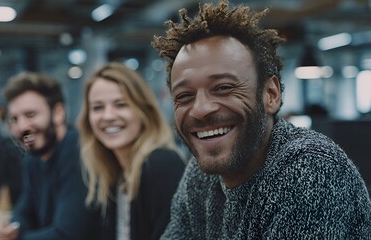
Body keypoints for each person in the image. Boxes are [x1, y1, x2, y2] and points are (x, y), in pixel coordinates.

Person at [151, 1, 371, 238]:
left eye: (223, 87)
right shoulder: (200, 175)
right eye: (184, 96)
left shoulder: (310, 168)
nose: (200, 109)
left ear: (271, 95)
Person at [0, 72, 101, 240]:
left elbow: (67, 235)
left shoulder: (78, 151)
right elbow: (24, 213)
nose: (22, 126)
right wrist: (9, 229)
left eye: (30, 115)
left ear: (58, 113)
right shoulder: (33, 158)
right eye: (14, 119)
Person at [77, 62, 185, 240]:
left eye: (121, 104)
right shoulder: (116, 175)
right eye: (97, 107)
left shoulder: (161, 164)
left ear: (143, 111)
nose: (108, 116)